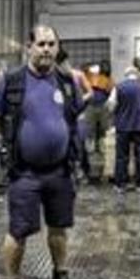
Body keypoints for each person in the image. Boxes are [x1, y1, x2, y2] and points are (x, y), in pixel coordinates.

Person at [0, 25, 84, 279]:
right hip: (24, 173)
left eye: (51, 44)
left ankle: (61, 277)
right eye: (41, 44)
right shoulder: (13, 81)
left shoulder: (67, 82)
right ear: (29, 47)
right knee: (18, 231)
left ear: (58, 47)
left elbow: (73, 115)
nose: (46, 49)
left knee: (59, 228)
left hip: (59, 171)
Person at [107, 60, 140, 193]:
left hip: (122, 127)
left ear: (126, 75)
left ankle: (120, 185)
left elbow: (111, 106)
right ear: (137, 74)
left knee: (122, 156)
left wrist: (119, 111)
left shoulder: (118, 87)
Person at [55, 47, 94, 182]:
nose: (68, 65)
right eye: (65, 62)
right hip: (62, 120)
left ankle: (81, 170)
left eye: (68, 62)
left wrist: (78, 102)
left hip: (77, 116)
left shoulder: (75, 76)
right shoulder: (52, 78)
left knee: (79, 144)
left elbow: (89, 93)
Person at [84, 60, 115, 181]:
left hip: (103, 107)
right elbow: (84, 71)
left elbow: (112, 94)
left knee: (104, 133)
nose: (105, 69)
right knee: (90, 134)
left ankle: (104, 158)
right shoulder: (91, 75)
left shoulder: (108, 80)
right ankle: (91, 161)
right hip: (91, 107)